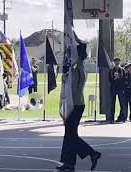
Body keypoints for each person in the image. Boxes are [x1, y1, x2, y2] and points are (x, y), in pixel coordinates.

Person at [56, 42, 101, 171]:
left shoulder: (76, 71)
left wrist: (65, 80)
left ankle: (92, 153)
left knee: (70, 135)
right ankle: (69, 163)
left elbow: (73, 90)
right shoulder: (81, 68)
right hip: (77, 103)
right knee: (69, 134)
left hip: (74, 104)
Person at [108, 58, 126, 123]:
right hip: (113, 89)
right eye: (116, 61)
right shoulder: (111, 70)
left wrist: (119, 78)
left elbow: (124, 79)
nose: (117, 62)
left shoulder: (122, 70)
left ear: (120, 62)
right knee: (112, 104)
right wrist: (114, 78)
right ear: (114, 62)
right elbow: (109, 79)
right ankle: (111, 118)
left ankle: (123, 118)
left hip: (120, 89)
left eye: (118, 61)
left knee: (122, 103)